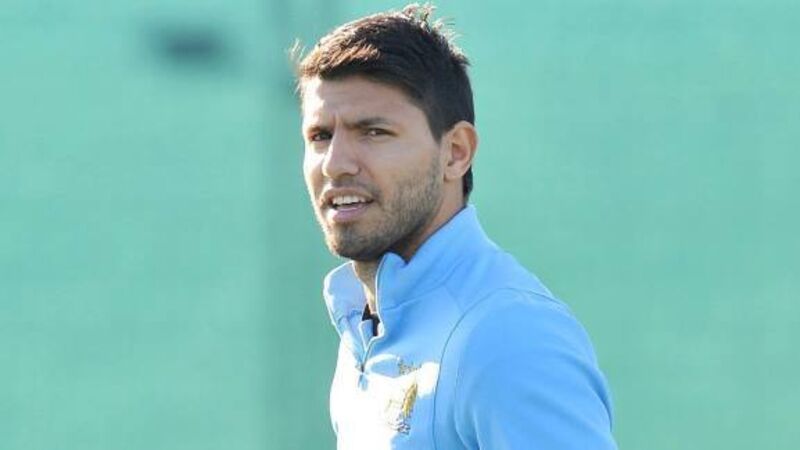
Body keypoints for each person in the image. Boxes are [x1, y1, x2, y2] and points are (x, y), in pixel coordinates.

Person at [294, 4, 617, 449]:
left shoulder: (508, 335)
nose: (335, 164)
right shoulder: (365, 326)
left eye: (373, 132)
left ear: (456, 152)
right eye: (320, 136)